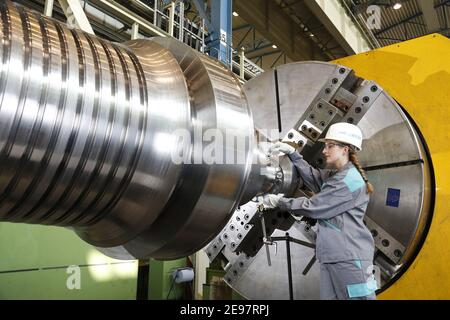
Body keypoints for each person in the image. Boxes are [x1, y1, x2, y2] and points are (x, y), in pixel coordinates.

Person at [262, 122, 377, 300]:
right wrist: (293, 154)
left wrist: (280, 202)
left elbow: (314, 207)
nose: (324, 150)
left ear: (345, 149)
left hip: (349, 259)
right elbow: (314, 177)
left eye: (330, 146)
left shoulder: (349, 181)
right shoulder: (338, 176)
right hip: (332, 256)